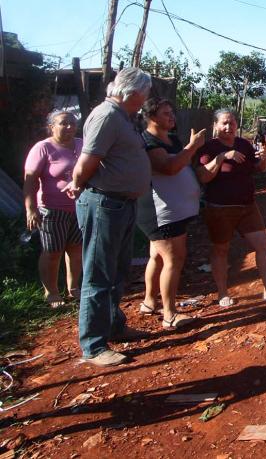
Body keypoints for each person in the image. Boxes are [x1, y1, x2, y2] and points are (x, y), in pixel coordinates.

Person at [64, 67, 153, 367]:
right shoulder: (106, 116)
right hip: (104, 204)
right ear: (130, 93)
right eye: (143, 95)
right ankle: (93, 344)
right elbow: (86, 161)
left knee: (117, 271)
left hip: (121, 205)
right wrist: (77, 184)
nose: (144, 101)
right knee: (98, 274)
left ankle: (114, 326)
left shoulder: (121, 117)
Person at [195, 109, 266, 306]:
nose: (229, 127)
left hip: (247, 205)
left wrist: (264, 159)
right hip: (220, 208)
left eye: (232, 123)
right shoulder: (208, 148)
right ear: (216, 126)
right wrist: (222, 157)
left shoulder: (243, 144)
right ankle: (222, 294)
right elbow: (203, 177)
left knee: (262, 245)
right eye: (224, 123)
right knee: (221, 250)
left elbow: (259, 169)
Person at [136, 98, 206, 329]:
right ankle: (170, 314)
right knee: (173, 260)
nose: (172, 117)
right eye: (166, 113)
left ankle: (149, 302)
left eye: (172, 113)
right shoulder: (148, 142)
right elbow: (170, 167)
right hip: (160, 213)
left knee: (157, 257)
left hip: (175, 211)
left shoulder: (172, 139)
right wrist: (192, 146)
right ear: (152, 116)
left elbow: (184, 164)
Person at [23, 110, 83, 308]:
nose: (69, 127)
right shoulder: (43, 148)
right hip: (51, 209)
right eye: (63, 123)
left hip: (79, 208)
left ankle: (74, 290)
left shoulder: (82, 144)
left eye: (72, 123)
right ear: (51, 127)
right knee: (53, 251)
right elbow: (30, 180)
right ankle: (52, 293)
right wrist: (30, 209)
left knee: (76, 249)